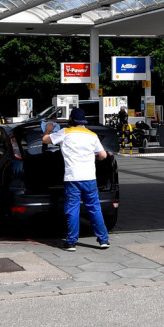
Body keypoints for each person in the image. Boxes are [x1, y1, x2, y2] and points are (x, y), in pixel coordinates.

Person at [43, 107, 110, 252]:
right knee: (94, 208)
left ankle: (71, 242)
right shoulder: (92, 135)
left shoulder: (65, 133)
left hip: (72, 178)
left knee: (73, 209)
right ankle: (103, 240)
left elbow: (45, 140)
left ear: (71, 120)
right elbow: (103, 155)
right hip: (89, 177)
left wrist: (48, 129)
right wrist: (95, 156)